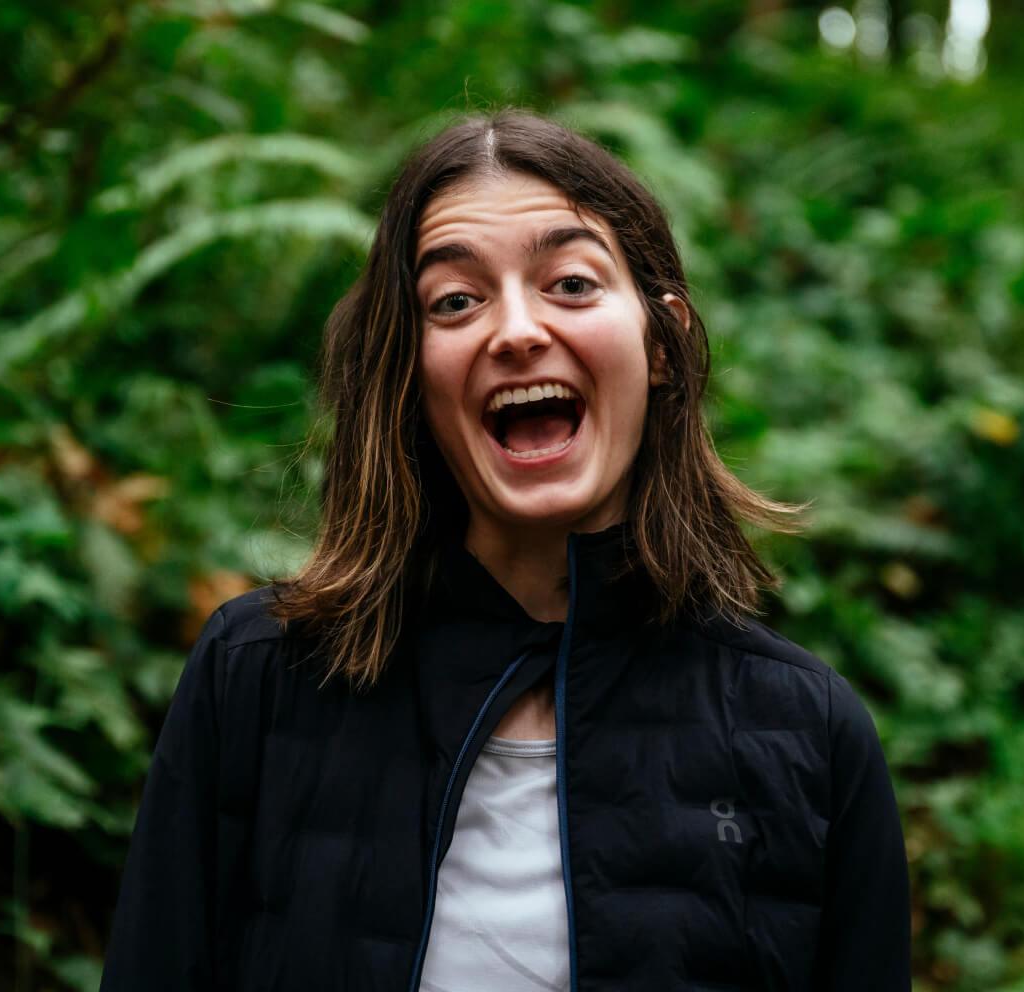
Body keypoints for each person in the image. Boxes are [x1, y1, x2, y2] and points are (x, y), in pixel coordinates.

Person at [100, 109, 911, 992]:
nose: (516, 330)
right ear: (408, 376)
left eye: (570, 283)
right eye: (455, 301)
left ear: (663, 342)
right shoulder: (255, 679)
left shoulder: (809, 735)